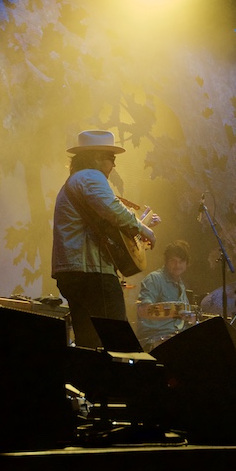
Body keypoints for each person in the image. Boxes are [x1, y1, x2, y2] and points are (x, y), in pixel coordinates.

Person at [51, 130, 156, 349]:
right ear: (97, 157)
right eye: (112, 159)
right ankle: (121, 382)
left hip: (72, 272)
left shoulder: (74, 181)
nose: (114, 165)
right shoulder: (90, 176)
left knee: (88, 344)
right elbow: (113, 210)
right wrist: (144, 229)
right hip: (92, 273)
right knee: (117, 341)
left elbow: (105, 221)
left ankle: (88, 381)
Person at [136, 240, 192, 352]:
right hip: (154, 339)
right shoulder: (155, 279)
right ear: (166, 261)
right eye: (173, 261)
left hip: (174, 338)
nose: (178, 265)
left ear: (187, 264)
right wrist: (176, 312)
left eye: (181, 261)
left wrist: (191, 318)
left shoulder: (181, 285)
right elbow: (143, 310)